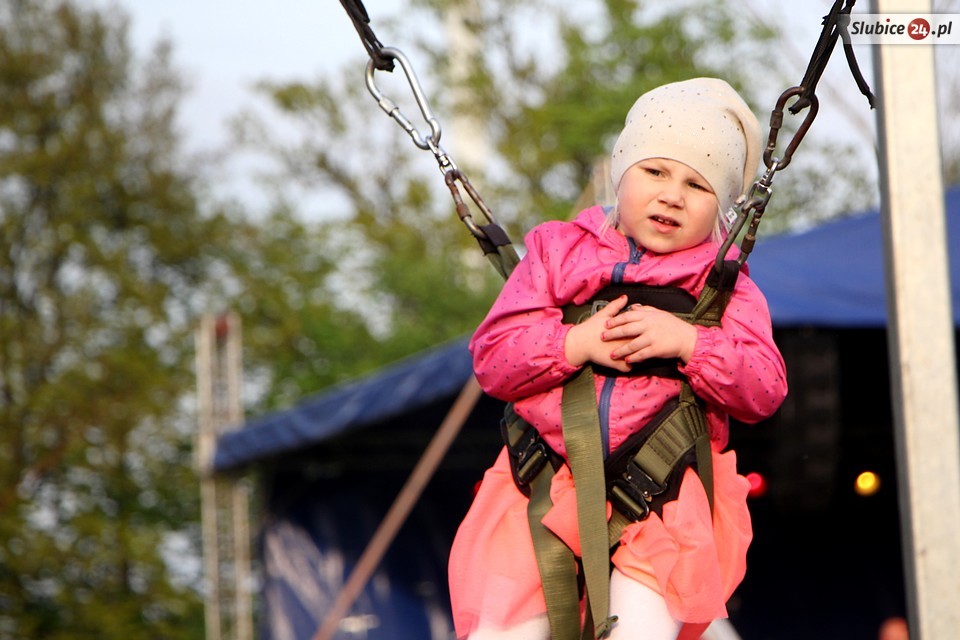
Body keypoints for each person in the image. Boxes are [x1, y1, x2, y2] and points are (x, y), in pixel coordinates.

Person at [448, 77, 789, 640]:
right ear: (620, 172)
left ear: (723, 211)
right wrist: (572, 345)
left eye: (697, 185)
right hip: (542, 483)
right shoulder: (558, 252)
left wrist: (690, 342)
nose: (672, 195)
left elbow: (764, 389)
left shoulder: (723, 286)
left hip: (660, 498)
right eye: (655, 171)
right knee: (503, 631)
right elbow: (494, 357)